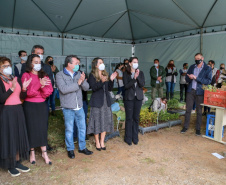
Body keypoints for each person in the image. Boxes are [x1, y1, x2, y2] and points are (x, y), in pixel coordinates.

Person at [56, 55, 93, 159]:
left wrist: (83, 80)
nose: (78, 65)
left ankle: (82, 147)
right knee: (69, 129)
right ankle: (70, 149)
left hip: (79, 106)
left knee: (82, 128)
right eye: (76, 63)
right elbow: (63, 89)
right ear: (69, 64)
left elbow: (86, 88)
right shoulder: (60, 75)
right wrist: (78, 83)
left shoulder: (79, 73)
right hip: (68, 107)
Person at [0, 57, 31, 177]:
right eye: (5, 66)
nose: (8, 68)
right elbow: (1, 99)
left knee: (18, 135)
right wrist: (11, 88)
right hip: (7, 111)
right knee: (9, 137)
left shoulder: (14, 78)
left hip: (18, 109)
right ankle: (10, 164)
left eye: (9, 65)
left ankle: (17, 161)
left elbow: (21, 96)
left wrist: (23, 88)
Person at [21, 54, 53, 165]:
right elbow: (28, 93)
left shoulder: (44, 75)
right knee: (31, 128)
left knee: (42, 128)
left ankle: (44, 153)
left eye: (39, 62)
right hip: (29, 106)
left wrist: (42, 88)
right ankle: (32, 152)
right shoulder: (26, 75)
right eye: (35, 62)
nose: (38, 64)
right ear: (30, 63)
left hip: (42, 105)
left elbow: (49, 91)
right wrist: (39, 85)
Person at [87, 57, 117, 151]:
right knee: (97, 122)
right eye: (100, 62)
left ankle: (102, 141)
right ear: (96, 65)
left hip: (106, 102)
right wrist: (101, 81)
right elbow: (94, 88)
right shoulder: (92, 75)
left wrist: (111, 80)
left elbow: (109, 89)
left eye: (102, 62)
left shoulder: (105, 74)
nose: (102, 64)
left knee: (104, 121)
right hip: (97, 102)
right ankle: (97, 142)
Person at [181, 53, 212, 136]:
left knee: (199, 111)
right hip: (190, 91)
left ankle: (198, 129)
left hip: (200, 92)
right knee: (188, 109)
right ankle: (185, 126)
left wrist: (196, 78)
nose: (197, 60)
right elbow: (187, 79)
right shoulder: (192, 67)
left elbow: (208, 81)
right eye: (195, 58)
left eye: (198, 58)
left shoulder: (207, 68)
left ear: (202, 58)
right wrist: (189, 77)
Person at [123, 57, 145, 145]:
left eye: (137, 62)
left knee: (136, 118)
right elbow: (126, 86)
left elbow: (142, 84)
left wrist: (137, 76)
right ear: (130, 63)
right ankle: (128, 138)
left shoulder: (141, 72)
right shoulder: (126, 73)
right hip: (129, 98)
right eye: (134, 62)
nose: (136, 63)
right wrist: (134, 78)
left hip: (138, 98)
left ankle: (135, 137)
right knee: (129, 118)